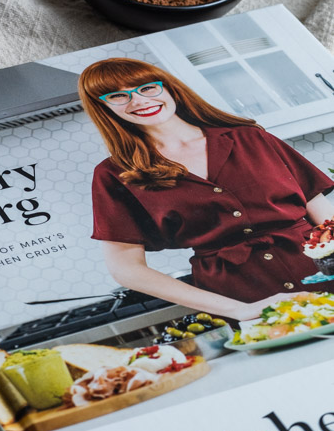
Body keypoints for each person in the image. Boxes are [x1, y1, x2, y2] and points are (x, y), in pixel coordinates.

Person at [79, 57, 334, 323]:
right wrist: (239, 310)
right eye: (118, 96)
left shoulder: (250, 137)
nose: (139, 101)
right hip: (242, 297)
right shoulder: (115, 175)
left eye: (147, 88)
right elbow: (126, 270)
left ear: (169, 88)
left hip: (321, 273)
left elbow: (325, 219)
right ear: (103, 106)